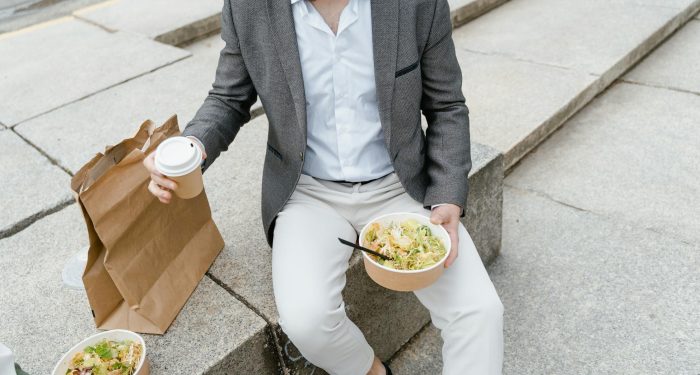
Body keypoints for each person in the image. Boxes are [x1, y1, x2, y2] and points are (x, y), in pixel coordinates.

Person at [144, 0, 503, 373]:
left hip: (401, 185)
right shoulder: (248, 6)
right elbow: (228, 97)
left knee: (479, 311)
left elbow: (446, 104)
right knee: (306, 320)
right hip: (308, 192)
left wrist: (447, 195)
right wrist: (189, 148)